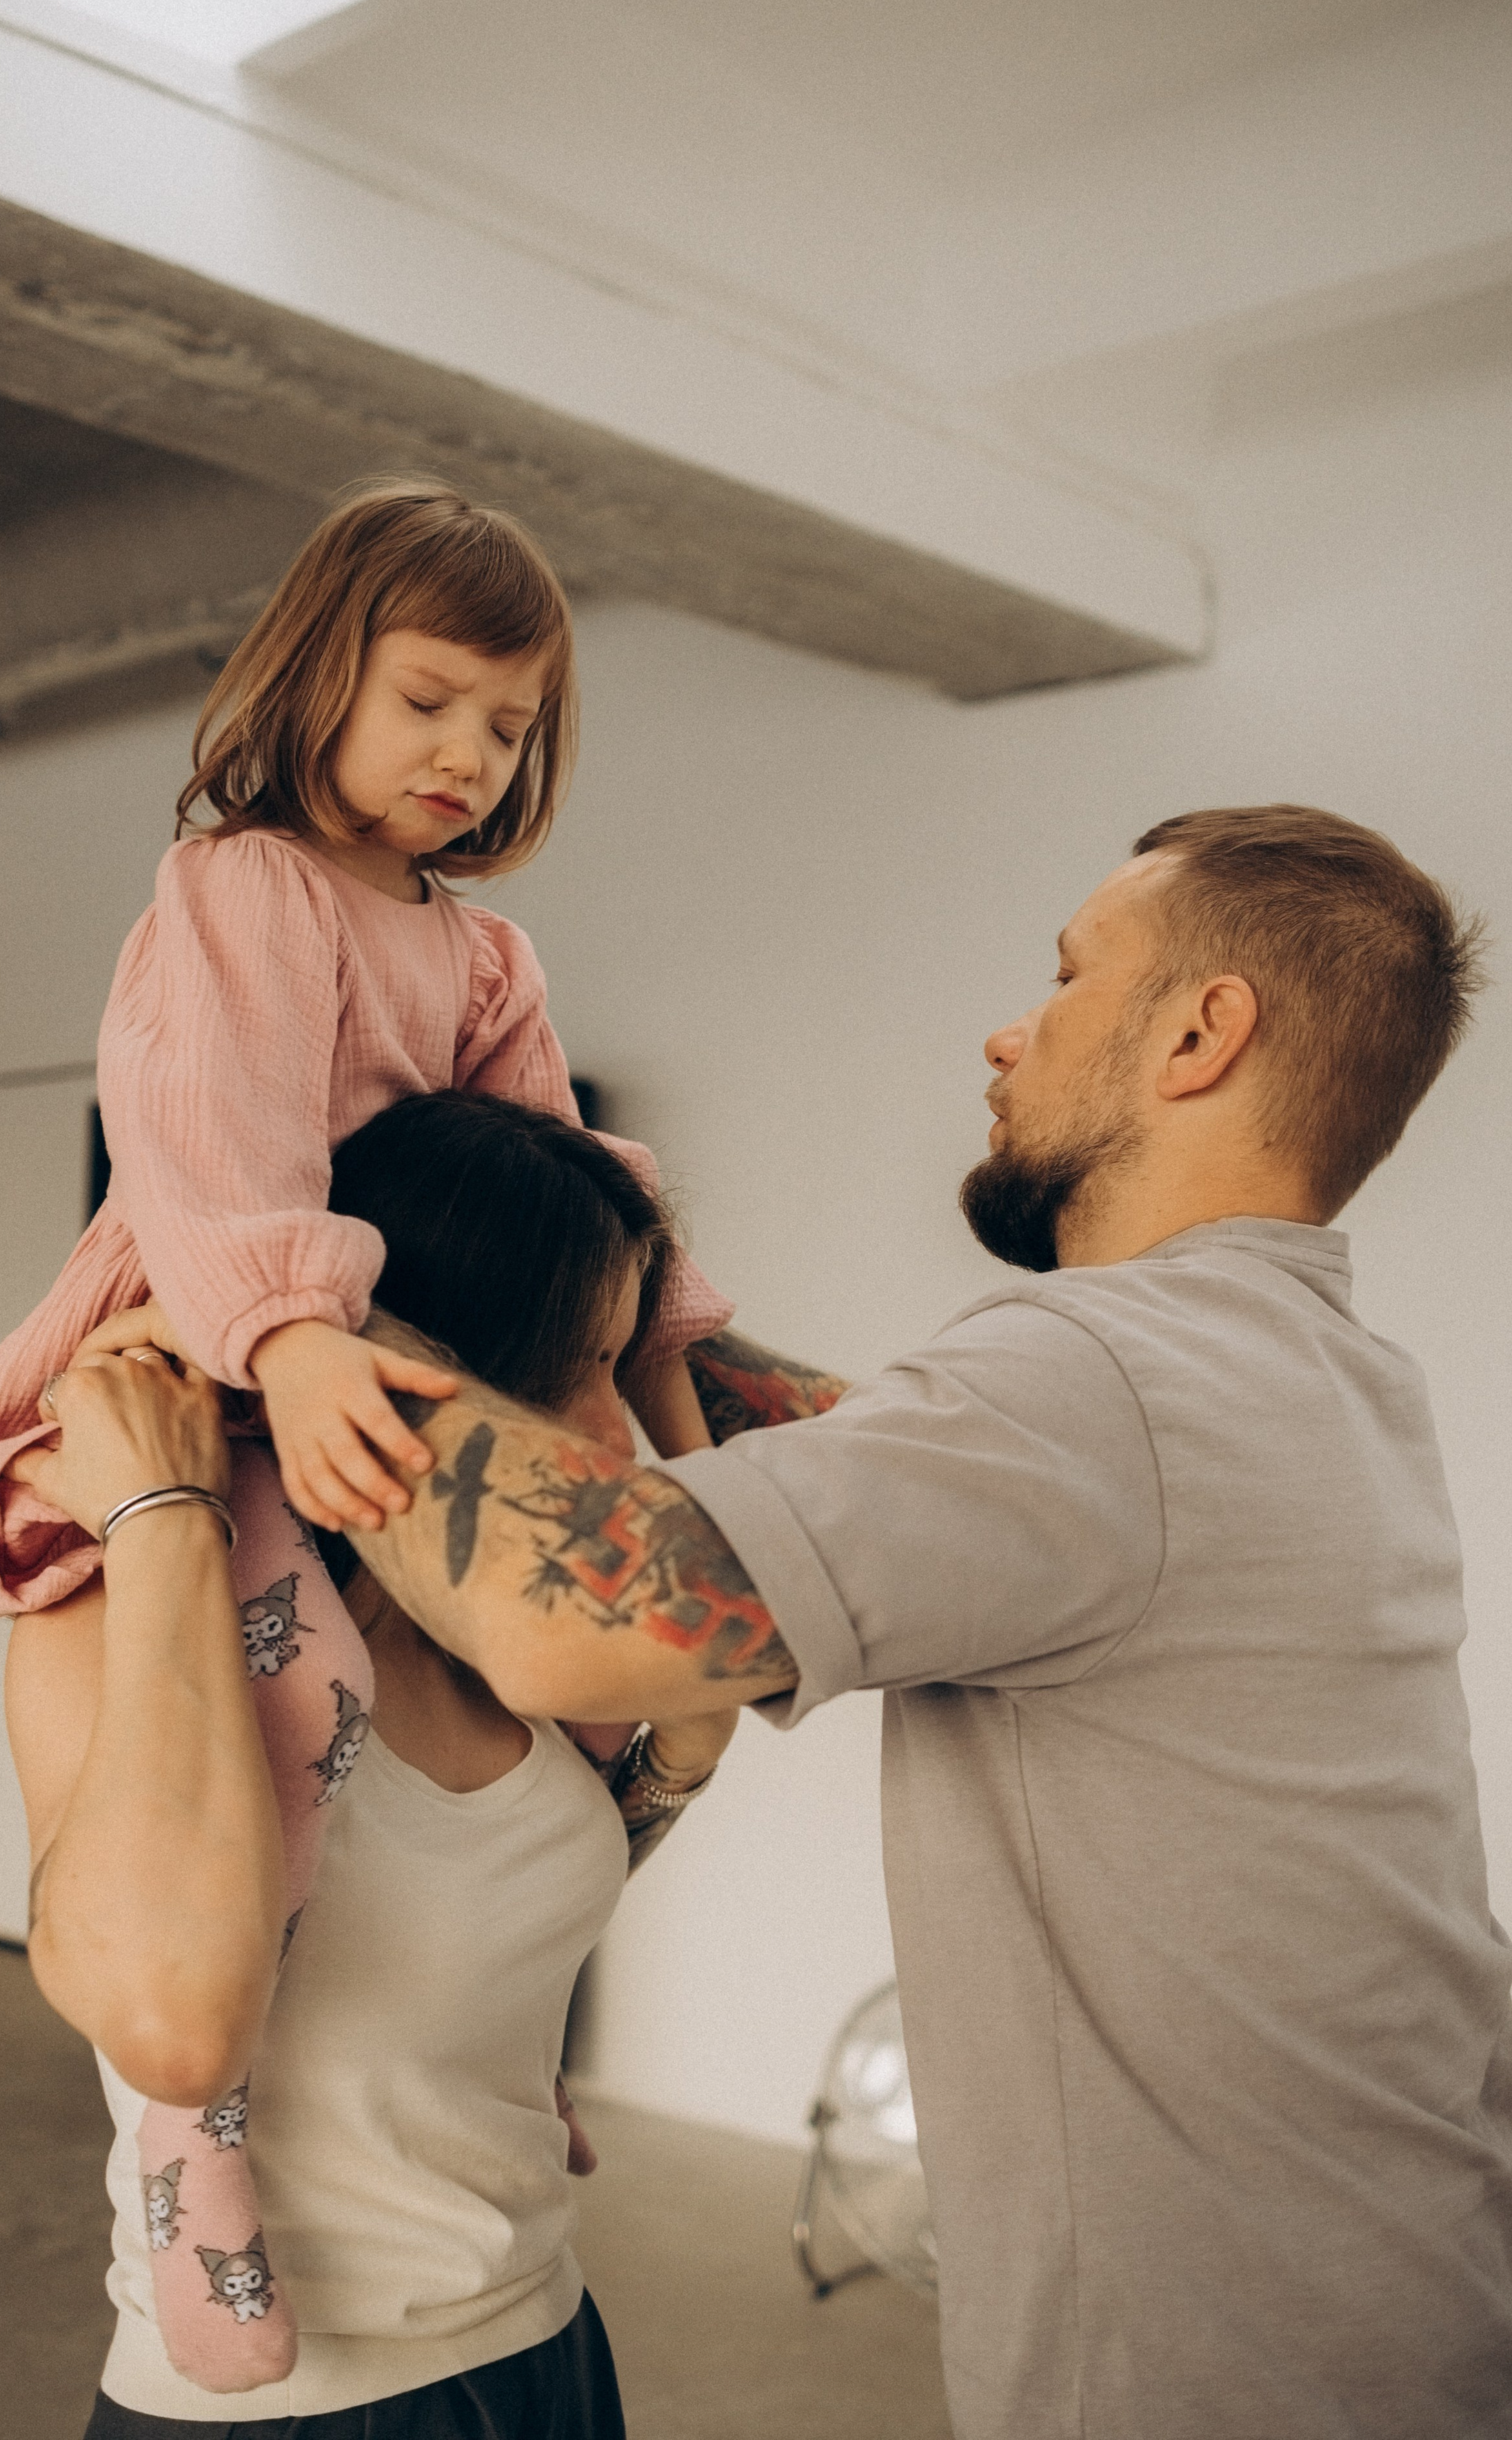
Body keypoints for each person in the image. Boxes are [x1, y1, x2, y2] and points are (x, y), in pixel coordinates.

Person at [314, 807, 1511, 2440]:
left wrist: (281, 1302)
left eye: (1070, 974)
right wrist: (628, 1316)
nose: (1008, 1031)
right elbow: (871, 1457)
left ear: (1197, 1030)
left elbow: (566, 1619)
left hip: (1226, 2367)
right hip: (1404, 2292)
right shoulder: (1304, 1373)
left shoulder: (1099, 1378)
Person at [0, 481, 729, 2383]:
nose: (465, 755)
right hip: (228, 1329)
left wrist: (692, 1374)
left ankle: (493, 2069)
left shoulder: (485, 956)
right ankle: (199, 2150)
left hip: (388, 1341)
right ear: (322, 670)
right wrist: (293, 1338)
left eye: (506, 725)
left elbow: (571, 1178)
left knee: (594, 1702)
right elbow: (208, 1146)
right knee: (286, 1712)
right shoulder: (240, 887)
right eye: (428, 700)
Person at [11, 1094, 756, 2434]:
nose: (615, 1430)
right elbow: (174, 2029)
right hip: (299, 2405)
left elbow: (522, 1881)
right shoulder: (112, 1597)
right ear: (441, 1355)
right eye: (580, 1366)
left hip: (542, 2338)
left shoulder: (495, 1623)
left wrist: (674, 1766)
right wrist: (168, 1509)